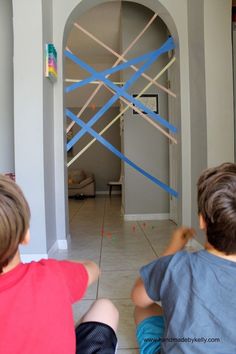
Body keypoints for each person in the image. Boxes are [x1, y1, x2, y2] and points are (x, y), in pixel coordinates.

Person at [0, 174, 119, 354]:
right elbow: (93, 268)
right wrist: (59, 267)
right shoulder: (53, 274)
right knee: (105, 308)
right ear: (26, 235)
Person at [131, 162, 236, 354]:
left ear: (202, 221)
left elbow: (138, 297)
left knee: (144, 309)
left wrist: (172, 249)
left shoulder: (175, 264)